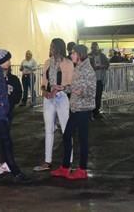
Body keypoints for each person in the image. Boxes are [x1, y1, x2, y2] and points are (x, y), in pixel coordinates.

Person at [0, 47, 28, 185]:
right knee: (5, 143)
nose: (9, 62)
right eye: (7, 59)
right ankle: (15, 172)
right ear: (1, 60)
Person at [51, 44, 96, 180]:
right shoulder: (78, 68)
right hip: (76, 108)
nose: (71, 55)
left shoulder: (88, 70)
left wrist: (81, 92)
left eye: (73, 53)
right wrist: (64, 88)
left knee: (81, 139)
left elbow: (92, 91)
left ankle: (81, 169)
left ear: (80, 54)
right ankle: (66, 167)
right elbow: (75, 87)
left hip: (83, 109)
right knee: (68, 136)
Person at [34, 38, 74, 172]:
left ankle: (69, 161)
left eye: (52, 46)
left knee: (65, 129)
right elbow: (44, 82)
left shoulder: (68, 63)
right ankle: (47, 161)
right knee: (48, 129)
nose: (50, 48)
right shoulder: (47, 63)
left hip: (62, 97)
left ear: (59, 48)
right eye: (50, 46)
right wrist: (45, 91)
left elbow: (70, 83)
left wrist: (57, 89)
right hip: (48, 98)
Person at [89, 42, 110, 120]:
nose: (94, 49)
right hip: (91, 80)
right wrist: (92, 68)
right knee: (91, 96)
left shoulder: (102, 56)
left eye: (95, 47)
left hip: (100, 79)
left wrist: (102, 66)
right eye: (92, 47)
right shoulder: (89, 56)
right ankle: (91, 112)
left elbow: (107, 64)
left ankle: (96, 112)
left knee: (98, 96)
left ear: (98, 47)